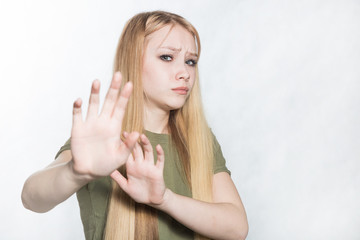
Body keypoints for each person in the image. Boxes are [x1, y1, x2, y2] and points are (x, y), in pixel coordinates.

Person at [21, 10, 248, 240]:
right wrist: (75, 173)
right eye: (167, 57)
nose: (185, 73)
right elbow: (31, 198)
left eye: (191, 61)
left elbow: (237, 228)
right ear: (133, 60)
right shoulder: (104, 139)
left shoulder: (200, 139)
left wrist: (165, 199)